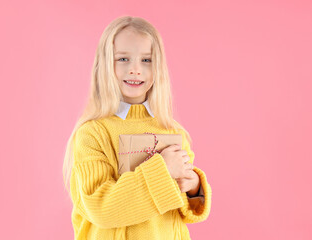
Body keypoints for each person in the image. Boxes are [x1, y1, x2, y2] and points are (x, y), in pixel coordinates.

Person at [63, 15, 212, 240]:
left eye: (146, 60)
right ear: (105, 64)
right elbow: (101, 209)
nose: (135, 69)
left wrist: (192, 188)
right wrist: (162, 170)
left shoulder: (174, 132)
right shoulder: (92, 134)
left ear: (158, 67)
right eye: (123, 59)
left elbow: (182, 213)